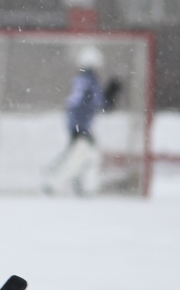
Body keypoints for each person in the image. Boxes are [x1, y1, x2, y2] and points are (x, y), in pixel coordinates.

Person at [40, 45, 121, 196]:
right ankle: (54, 183)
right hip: (81, 123)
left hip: (75, 121)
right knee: (81, 155)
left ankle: (76, 183)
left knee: (84, 154)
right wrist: (111, 94)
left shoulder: (80, 78)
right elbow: (100, 103)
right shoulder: (91, 80)